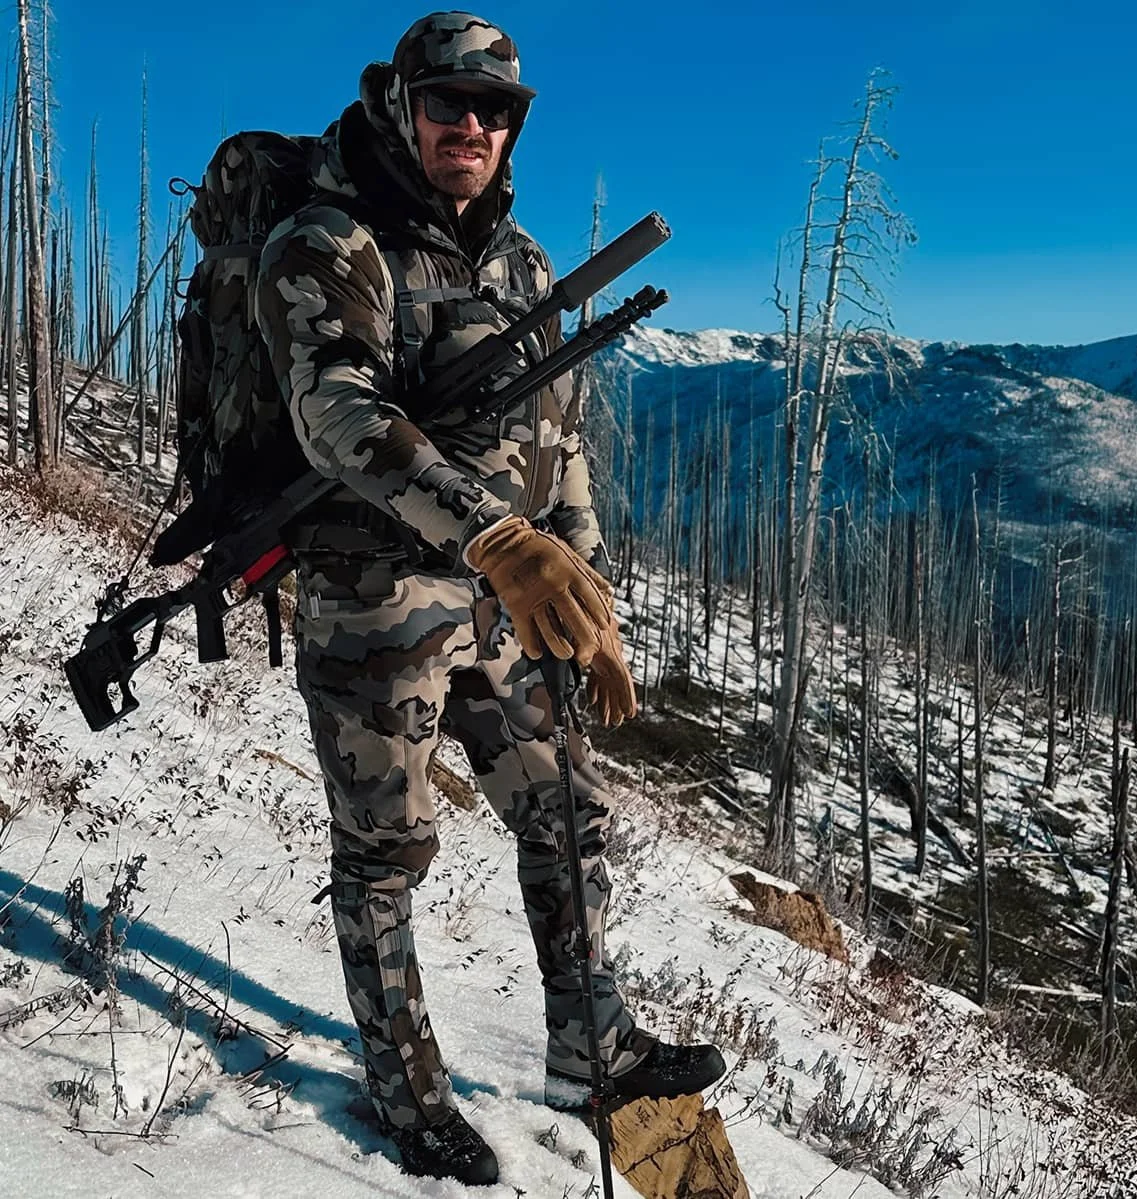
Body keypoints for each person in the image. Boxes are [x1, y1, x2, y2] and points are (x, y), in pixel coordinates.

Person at [253, 10, 725, 1187]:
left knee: (570, 812)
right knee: (387, 851)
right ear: (401, 103)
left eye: (495, 110)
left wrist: (586, 583)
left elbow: (558, 439)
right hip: (374, 603)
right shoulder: (327, 240)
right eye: (450, 102)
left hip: (502, 608)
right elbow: (339, 414)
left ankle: (592, 1046)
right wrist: (499, 537)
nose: (473, 125)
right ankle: (406, 1090)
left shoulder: (520, 262)